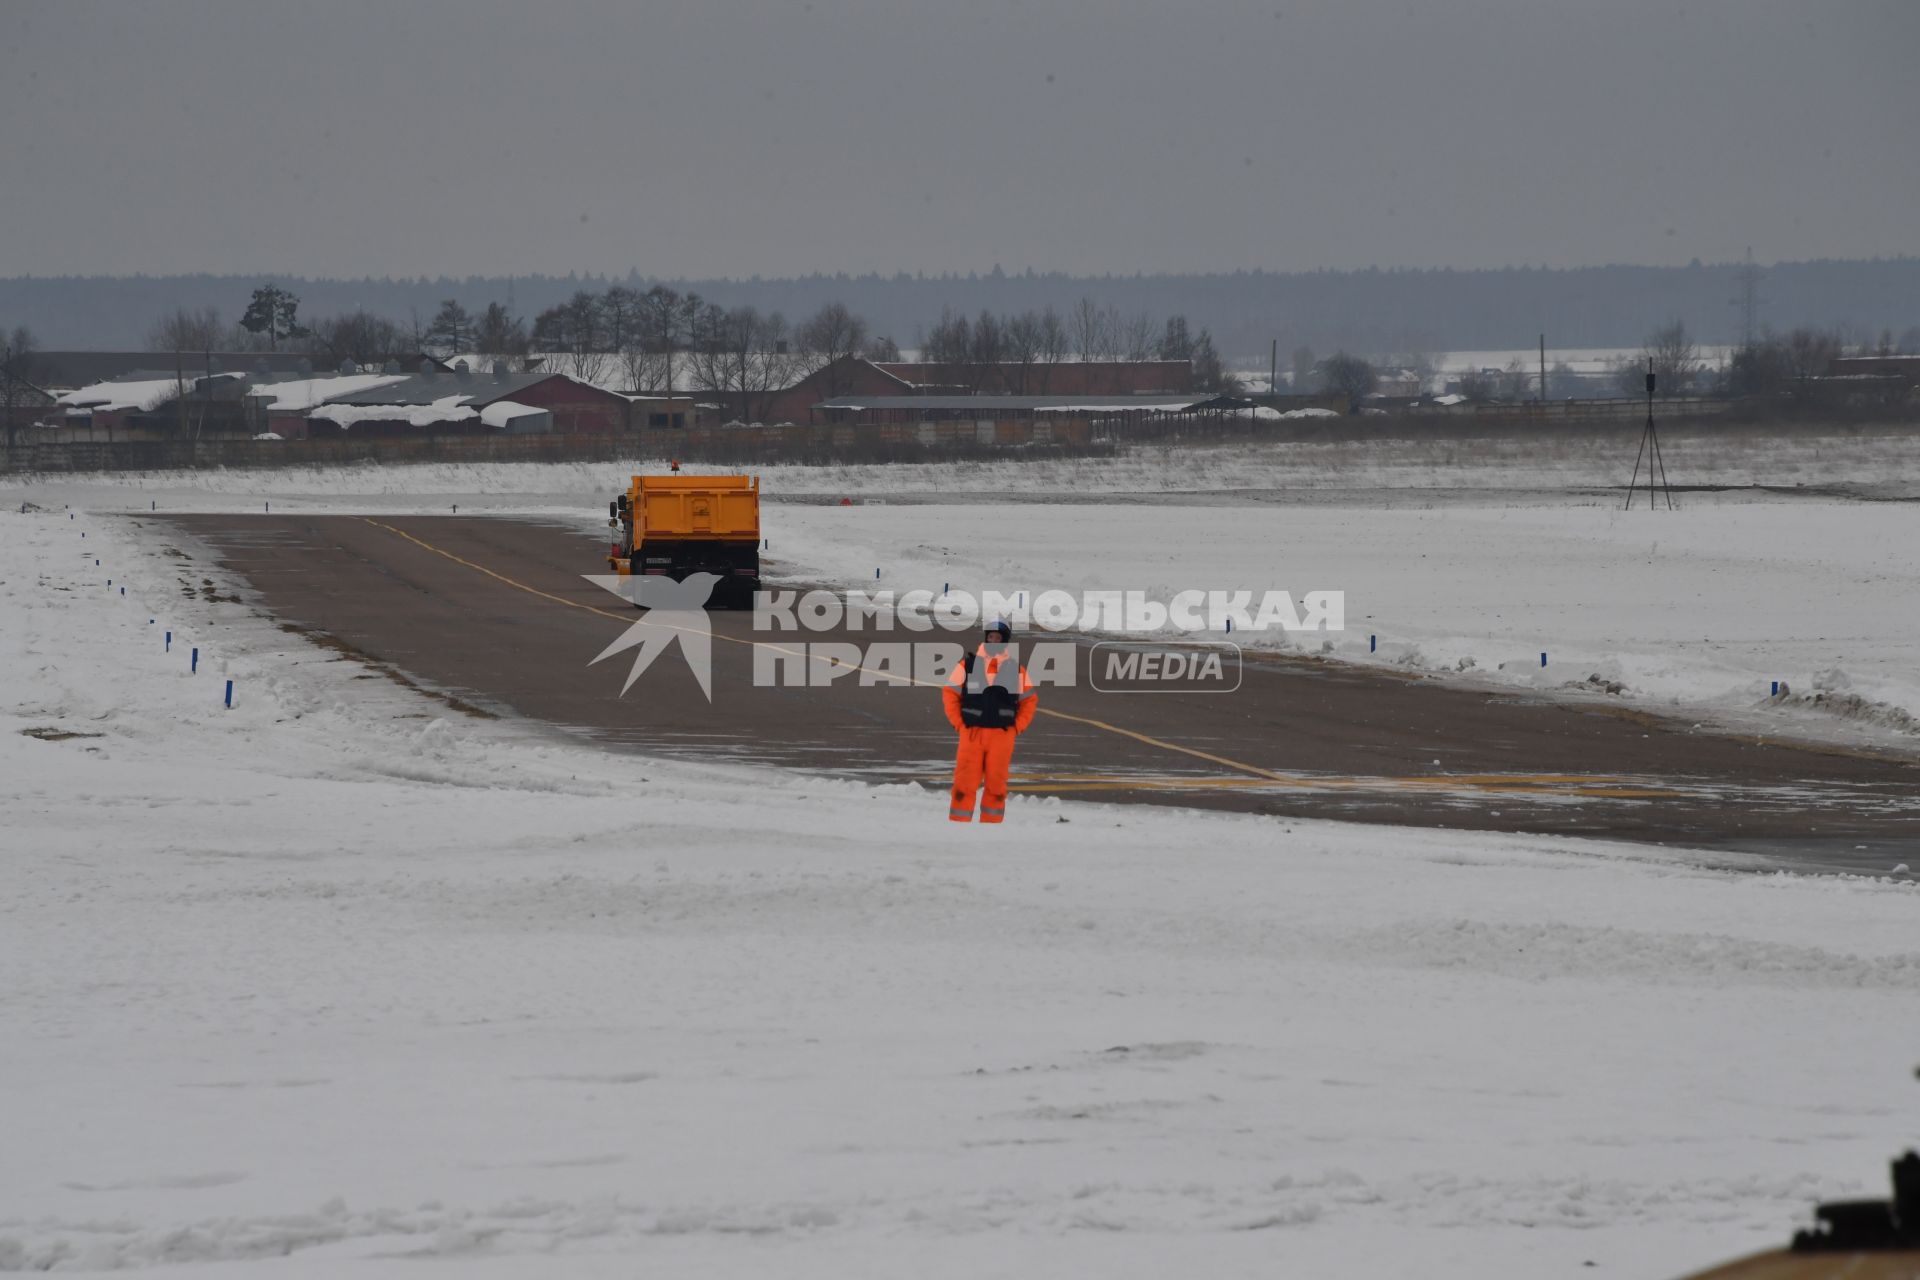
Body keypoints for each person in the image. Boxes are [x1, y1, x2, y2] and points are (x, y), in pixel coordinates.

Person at [943, 617, 1036, 823]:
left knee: (996, 786)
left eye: (998, 638)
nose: (994, 642)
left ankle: (990, 828)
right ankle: (959, 826)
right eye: (991, 637)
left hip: (1002, 737)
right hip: (971, 734)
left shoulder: (1016, 669)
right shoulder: (967, 664)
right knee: (964, 784)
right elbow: (950, 693)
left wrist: (1016, 728)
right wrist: (959, 723)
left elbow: (1029, 701)